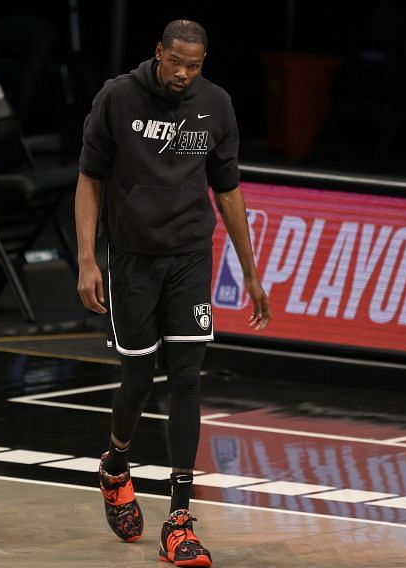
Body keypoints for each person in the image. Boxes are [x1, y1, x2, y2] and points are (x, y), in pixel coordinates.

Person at [74, 19, 270, 567]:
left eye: (195, 65)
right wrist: (88, 259)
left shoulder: (218, 105)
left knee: (186, 379)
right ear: (158, 53)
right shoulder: (117, 97)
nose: (184, 74)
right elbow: (89, 178)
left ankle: (179, 520)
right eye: (176, 62)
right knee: (138, 379)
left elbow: (226, 189)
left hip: (189, 257)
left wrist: (250, 272)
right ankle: (116, 465)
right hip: (133, 260)